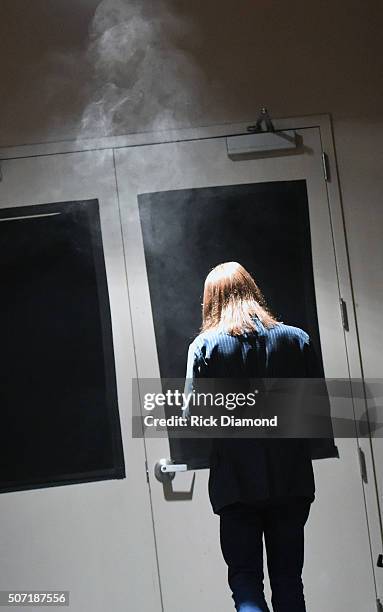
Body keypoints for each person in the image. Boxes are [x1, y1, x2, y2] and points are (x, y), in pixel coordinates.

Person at [182, 261, 318, 612]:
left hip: (236, 483)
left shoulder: (205, 347)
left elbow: (193, 417)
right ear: (253, 291)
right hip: (291, 479)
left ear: (211, 301)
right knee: (289, 581)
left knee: (245, 583)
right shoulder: (296, 339)